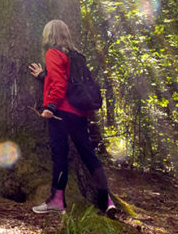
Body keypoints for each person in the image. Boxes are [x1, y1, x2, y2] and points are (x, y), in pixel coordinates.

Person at [28, 19, 116, 217]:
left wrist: (51, 107)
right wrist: (42, 75)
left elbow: (59, 84)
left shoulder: (53, 53)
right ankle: (106, 200)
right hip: (79, 112)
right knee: (88, 154)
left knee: (60, 155)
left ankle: (57, 201)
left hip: (60, 112)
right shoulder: (77, 56)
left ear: (49, 35)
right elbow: (69, 82)